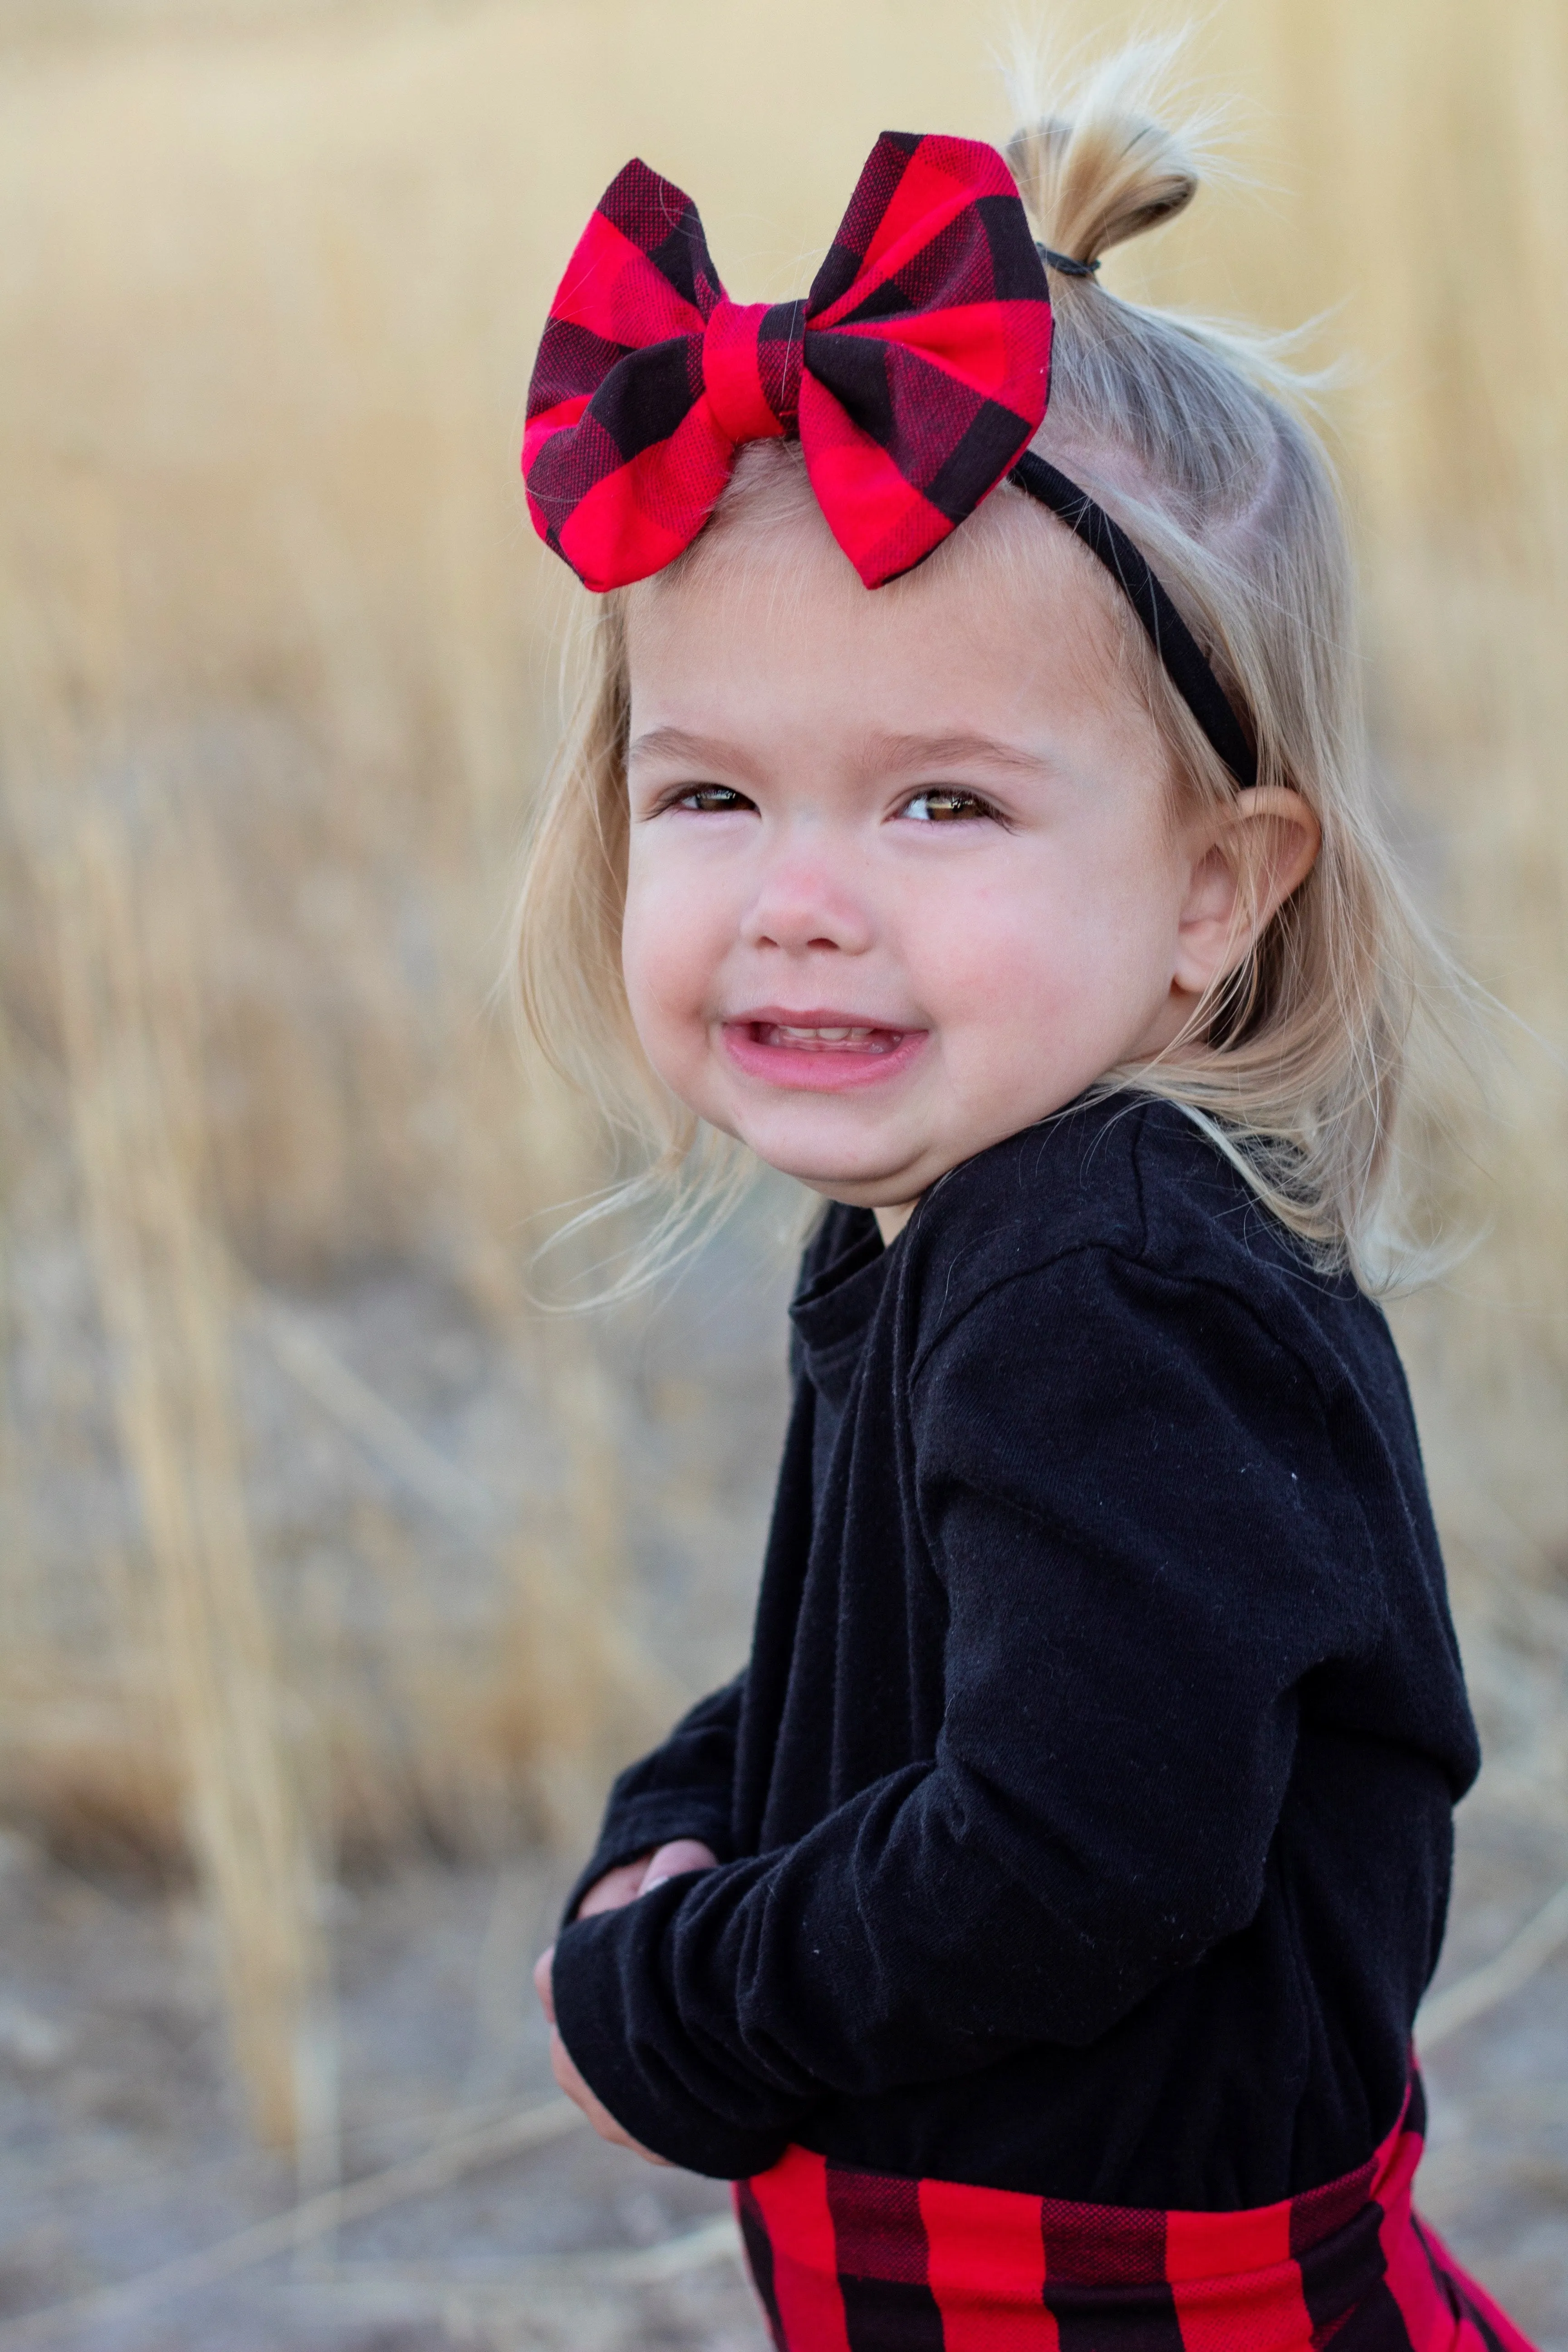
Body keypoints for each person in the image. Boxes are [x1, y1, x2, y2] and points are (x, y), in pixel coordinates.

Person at [512, 51, 1536, 2352]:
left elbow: (1079, 1853)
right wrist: (673, 1818)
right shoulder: (982, 1205)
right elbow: (909, 1671)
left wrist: (676, 2002)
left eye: (942, 807)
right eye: (709, 797)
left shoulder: (1106, 1273)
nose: (800, 903)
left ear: (1213, 887)